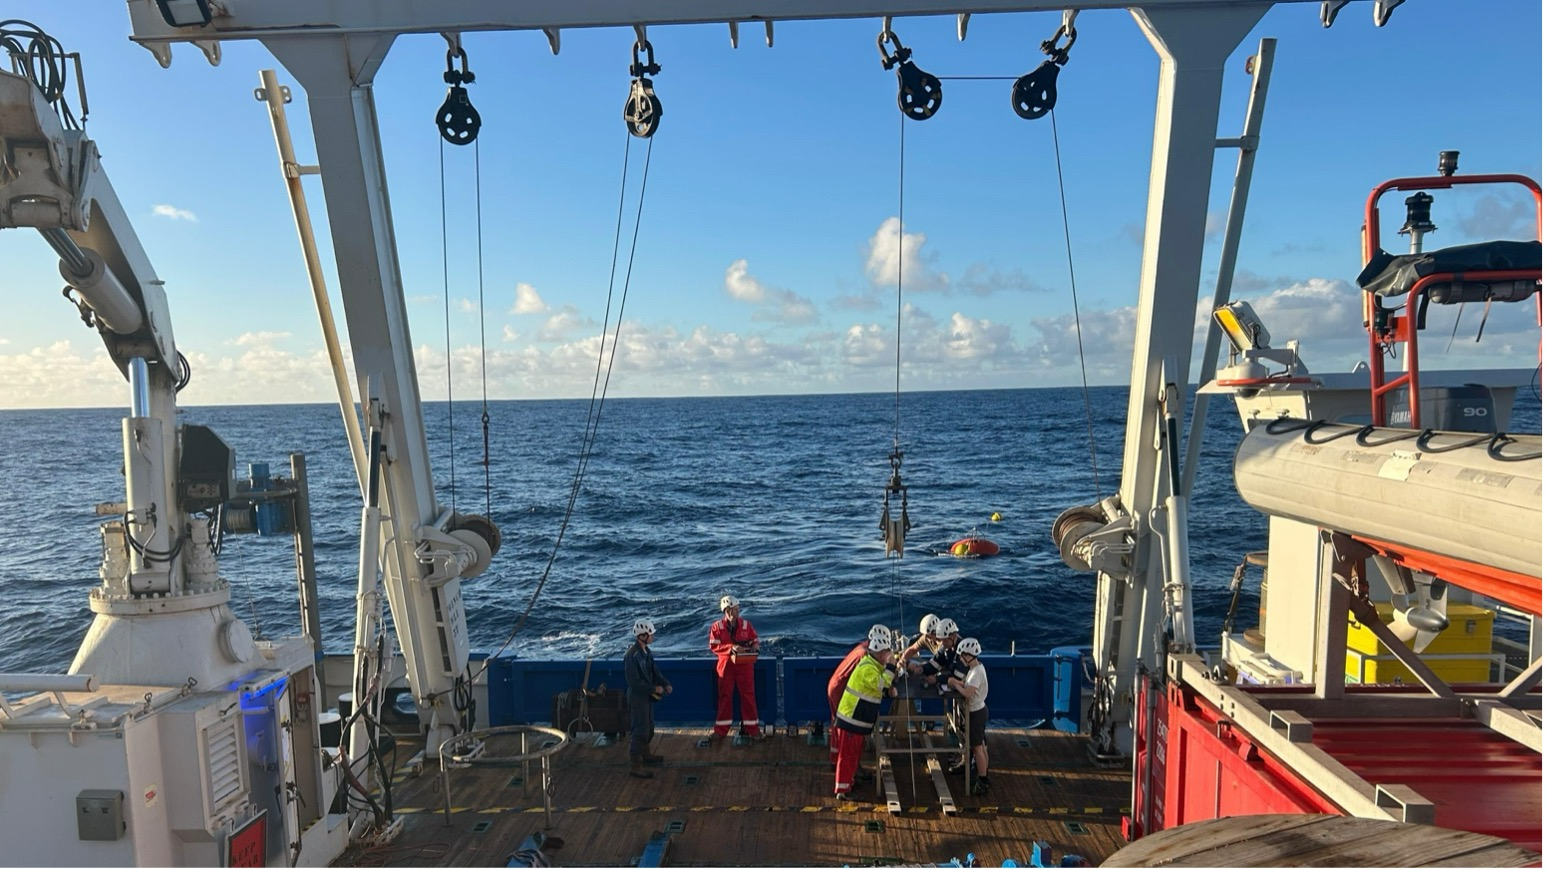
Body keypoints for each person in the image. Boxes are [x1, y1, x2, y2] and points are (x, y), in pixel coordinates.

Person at [831, 630, 899, 800]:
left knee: (854, 753)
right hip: (851, 719)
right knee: (847, 756)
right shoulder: (867, 668)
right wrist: (891, 666)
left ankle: (850, 780)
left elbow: (877, 688)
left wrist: (888, 690)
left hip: (858, 721)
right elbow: (881, 683)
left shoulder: (874, 666)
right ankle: (842, 790)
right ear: (880, 653)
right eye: (887, 652)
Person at [827, 625, 891, 770]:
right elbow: (875, 679)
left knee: (837, 727)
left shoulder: (864, 647)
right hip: (840, 689)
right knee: (846, 732)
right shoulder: (865, 656)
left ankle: (835, 760)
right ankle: (846, 767)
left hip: (836, 685)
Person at [624, 617, 672, 779]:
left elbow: (654, 670)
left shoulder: (646, 652)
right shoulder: (631, 656)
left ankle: (645, 754)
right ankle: (636, 766)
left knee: (649, 727)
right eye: (650, 634)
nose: (653, 636)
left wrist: (664, 683)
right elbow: (634, 682)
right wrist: (653, 688)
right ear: (642, 636)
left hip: (647, 697)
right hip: (638, 699)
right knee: (639, 730)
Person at [708, 594, 761, 739]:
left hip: (744, 665)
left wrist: (755, 646)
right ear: (727, 610)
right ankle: (721, 730)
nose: (738, 611)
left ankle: (753, 729)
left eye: (738, 608)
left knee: (748, 696)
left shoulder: (746, 625)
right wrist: (731, 648)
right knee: (725, 697)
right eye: (735, 609)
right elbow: (714, 646)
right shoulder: (717, 627)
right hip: (726, 666)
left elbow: (755, 639)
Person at [946, 637, 991, 795]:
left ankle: (982, 781)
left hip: (975, 713)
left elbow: (967, 693)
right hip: (979, 710)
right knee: (982, 747)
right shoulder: (977, 668)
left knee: (977, 749)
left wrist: (955, 684)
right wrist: (957, 682)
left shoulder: (976, 673)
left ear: (968, 655)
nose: (960, 659)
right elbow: (968, 685)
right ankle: (983, 774)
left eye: (962, 656)